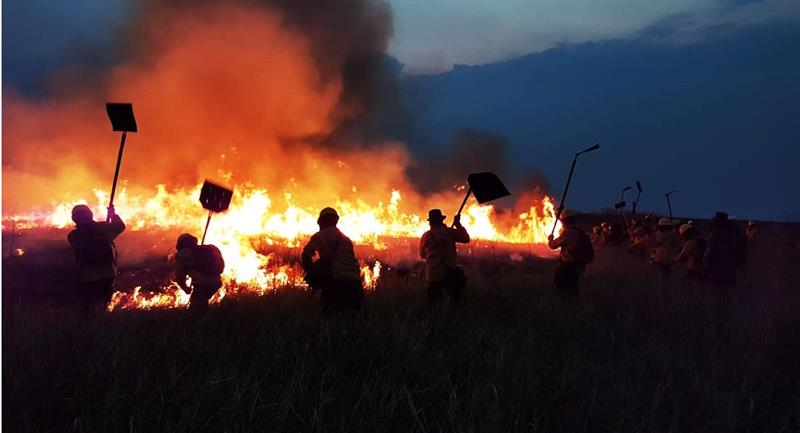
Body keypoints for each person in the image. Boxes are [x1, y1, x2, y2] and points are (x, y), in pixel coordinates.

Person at [302, 207, 364, 316]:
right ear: (336, 221)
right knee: (355, 317)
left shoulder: (320, 236)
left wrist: (312, 272)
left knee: (328, 315)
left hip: (336, 281)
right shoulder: (346, 239)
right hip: (354, 282)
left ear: (321, 221)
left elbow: (306, 254)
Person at [67, 204, 126, 314]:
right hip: (107, 274)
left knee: (87, 308)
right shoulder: (103, 228)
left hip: (86, 277)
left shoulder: (72, 236)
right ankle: (101, 326)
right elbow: (120, 227)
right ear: (90, 215)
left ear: (74, 219)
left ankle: (88, 327)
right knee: (103, 306)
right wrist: (112, 214)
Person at [419, 209, 470, 304]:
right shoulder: (450, 232)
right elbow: (466, 239)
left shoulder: (426, 236)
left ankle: (437, 317)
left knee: (434, 303)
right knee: (454, 301)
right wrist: (458, 224)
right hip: (449, 272)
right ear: (441, 220)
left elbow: (422, 255)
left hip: (433, 274)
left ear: (430, 222)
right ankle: (452, 317)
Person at [174, 233, 225, 316]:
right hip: (216, 283)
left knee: (195, 311)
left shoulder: (182, 254)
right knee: (202, 302)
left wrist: (185, 288)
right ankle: (207, 320)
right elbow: (221, 266)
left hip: (202, 285)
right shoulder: (212, 248)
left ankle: (202, 325)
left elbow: (180, 276)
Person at [547, 209, 593, 296]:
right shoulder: (579, 230)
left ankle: (568, 303)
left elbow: (553, 245)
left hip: (569, 265)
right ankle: (574, 304)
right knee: (573, 285)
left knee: (562, 284)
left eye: (562, 220)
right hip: (578, 263)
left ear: (565, 220)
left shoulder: (568, 232)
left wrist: (550, 240)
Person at [704, 211, 747, 288]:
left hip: (717, 270)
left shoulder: (714, 235)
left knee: (717, 293)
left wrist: (705, 265)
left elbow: (709, 252)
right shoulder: (734, 235)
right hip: (731, 269)